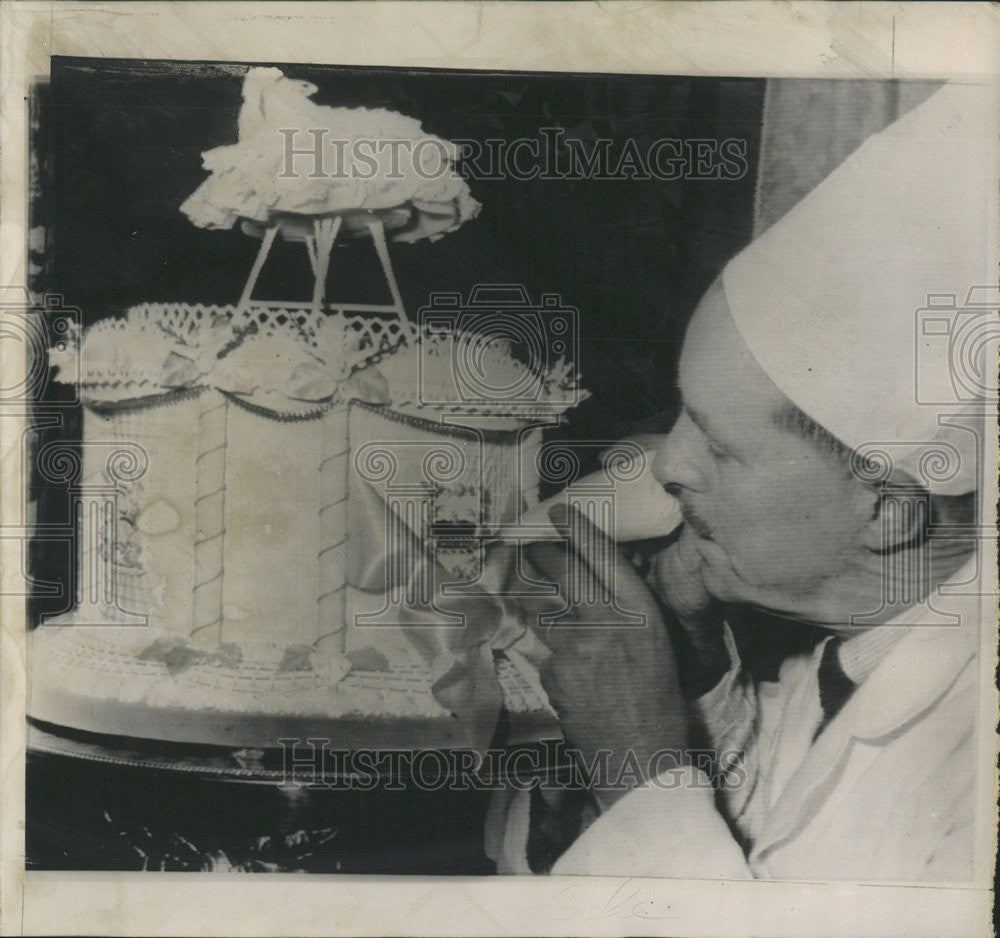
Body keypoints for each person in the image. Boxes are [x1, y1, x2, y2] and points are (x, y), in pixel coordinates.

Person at [490, 81, 995, 881]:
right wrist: (689, 674)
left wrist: (642, 772)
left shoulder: (976, 778)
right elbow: (774, 846)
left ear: (889, 513)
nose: (667, 463)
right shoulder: (842, 661)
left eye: (721, 450)